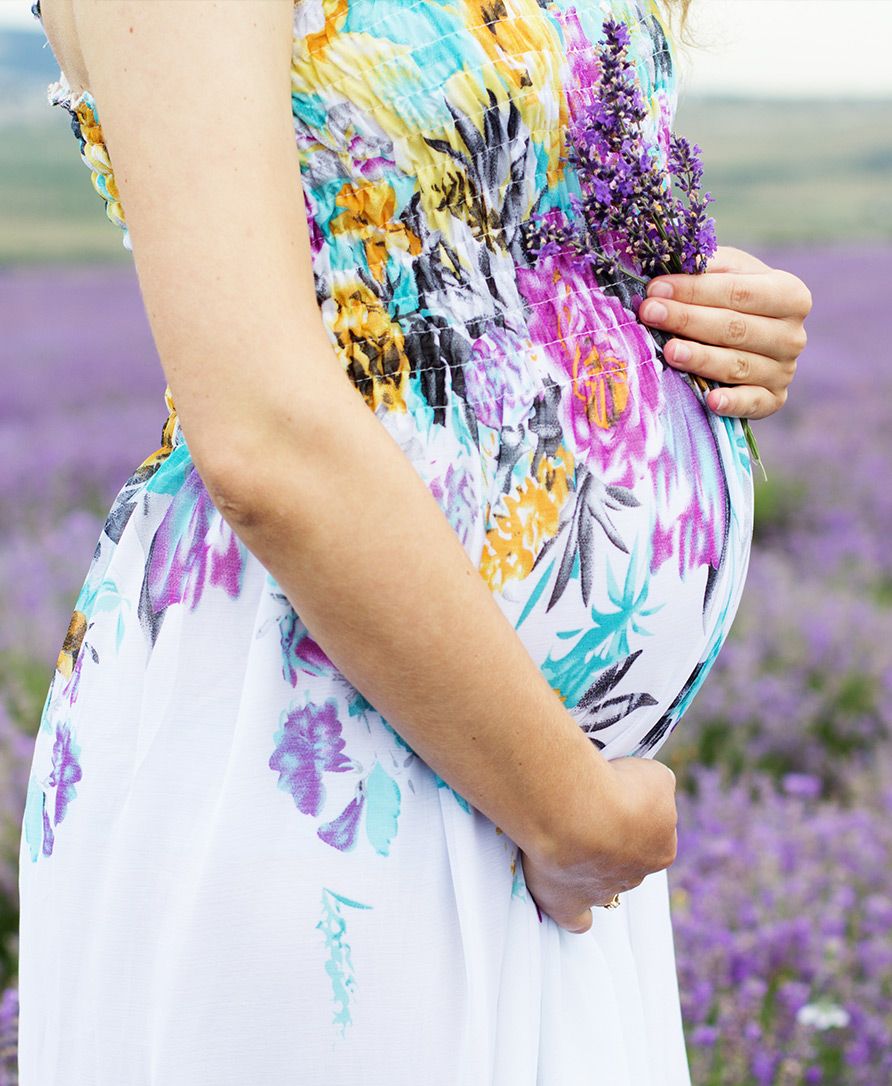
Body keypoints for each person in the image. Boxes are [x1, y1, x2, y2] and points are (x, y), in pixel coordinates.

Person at [18, 1, 811, 1083]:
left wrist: (702, 313)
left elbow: (469, 224)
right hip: (320, 763)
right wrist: (570, 813)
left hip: (547, 805)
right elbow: (262, 435)